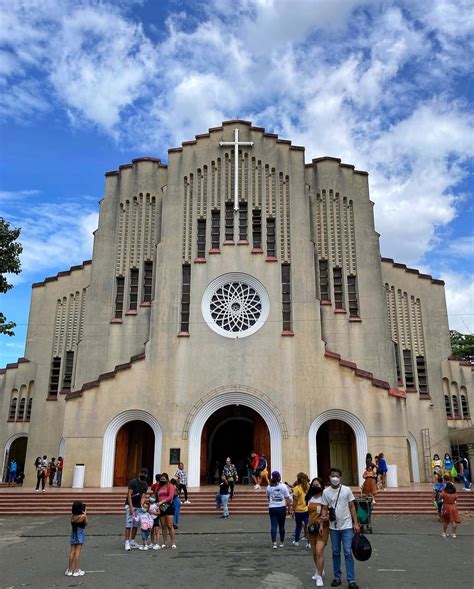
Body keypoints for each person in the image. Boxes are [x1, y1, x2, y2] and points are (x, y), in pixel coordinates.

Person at [321, 467, 360, 589]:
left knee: (348, 552)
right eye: (333, 476)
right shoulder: (326, 492)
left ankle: (351, 580)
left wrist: (356, 523)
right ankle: (337, 577)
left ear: (340, 477)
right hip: (334, 527)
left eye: (337, 476)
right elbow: (324, 508)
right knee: (335, 552)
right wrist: (322, 523)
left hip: (347, 526)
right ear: (329, 477)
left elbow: (352, 507)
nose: (335, 478)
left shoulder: (347, 490)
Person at [306, 477, 329, 587]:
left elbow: (328, 513)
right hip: (311, 528)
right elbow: (308, 513)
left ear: (321, 486)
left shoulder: (325, 498)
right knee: (314, 553)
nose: (315, 487)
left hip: (322, 528)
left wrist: (322, 522)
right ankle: (319, 569)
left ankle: (319, 576)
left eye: (317, 485)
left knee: (319, 552)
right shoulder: (309, 498)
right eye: (313, 485)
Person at [124, 467, 149, 551]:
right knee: (128, 524)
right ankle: (127, 542)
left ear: (146, 475)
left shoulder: (145, 484)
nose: (143, 475)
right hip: (130, 505)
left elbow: (143, 496)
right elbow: (129, 495)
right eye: (142, 473)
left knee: (136, 525)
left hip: (138, 506)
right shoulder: (133, 482)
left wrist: (142, 506)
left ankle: (132, 541)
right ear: (139, 473)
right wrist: (131, 507)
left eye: (145, 474)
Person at [266, 470, 292, 549]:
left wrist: (271, 502)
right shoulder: (283, 486)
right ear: (279, 477)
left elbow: (268, 497)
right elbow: (287, 498)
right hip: (281, 507)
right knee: (281, 525)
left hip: (272, 507)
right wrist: (289, 508)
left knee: (273, 525)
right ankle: (281, 542)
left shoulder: (269, 486)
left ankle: (274, 543)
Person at [65, 500, 87, 577]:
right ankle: (77, 570)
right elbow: (86, 523)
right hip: (80, 533)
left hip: (73, 533)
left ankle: (70, 570)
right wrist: (85, 513)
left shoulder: (72, 516)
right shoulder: (83, 516)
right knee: (77, 552)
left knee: (72, 551)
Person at [157, 473, 177, 549]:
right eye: (161, 479)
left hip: (168, 506)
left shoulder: (170, 486)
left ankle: (173, 542)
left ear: (167, 479)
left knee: (170, 525)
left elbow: (170, 497)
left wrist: (162, 502)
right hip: (161, 508)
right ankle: (165, 542)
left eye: (163, 479)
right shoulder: (159, 487)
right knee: (163, 526)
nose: (162, 480)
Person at [292, 472, 309, 547]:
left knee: (298, 526)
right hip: (307, 509)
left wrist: (293, 509)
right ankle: (309, 542)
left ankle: (296, 541)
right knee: (307, 525)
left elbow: (295, 500)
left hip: (298, 510)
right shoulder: (308, 487)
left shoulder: (297, 488)